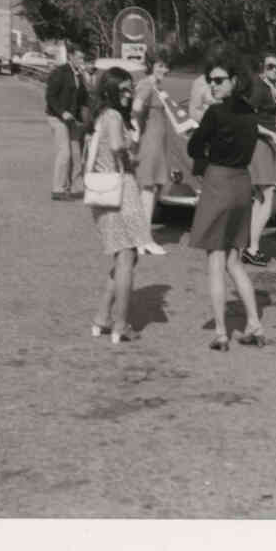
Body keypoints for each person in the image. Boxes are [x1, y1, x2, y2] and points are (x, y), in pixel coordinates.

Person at [186, 55, 276, 351]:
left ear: (235, 81)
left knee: (215, 260)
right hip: (242, 183)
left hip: (219, 182)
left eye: (219, 80)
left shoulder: (215, 113)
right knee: (234, 261)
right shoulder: (251, 113)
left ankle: (221, 332)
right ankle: (254, 324)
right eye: (210, 80)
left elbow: (193, 147)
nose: (213, 85)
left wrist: (207, 145)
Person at [87, 67, 153, 344]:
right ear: (110, 91)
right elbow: (116, 146)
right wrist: (131, 146)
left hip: (104, 191)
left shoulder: (103, 115)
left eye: (130, 88)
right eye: (123, 89)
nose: (128, 94)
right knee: (127, 257)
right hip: (120, 190)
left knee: (124, 256)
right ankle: (121, 324)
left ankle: (102, 317)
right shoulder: (114, 116)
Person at [243, 49, 276, 266]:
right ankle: (252, 248)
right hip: (261, 144)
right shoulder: (259, 88)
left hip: (265, 144)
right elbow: (248, 118)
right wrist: (271, 135)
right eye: (270, 66)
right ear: (262, 67)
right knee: (268, 196)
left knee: (260, 198)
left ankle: (251, 246)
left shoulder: (268, 87)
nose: (275, 70)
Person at [131, 51, 172, 256]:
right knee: (147, 190)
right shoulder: (146, 85)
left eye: (166, 66)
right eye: (160, 65)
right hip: (150, 143)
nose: (165, 69)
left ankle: (141, 235)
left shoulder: (156, 86)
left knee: (152, 189)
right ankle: (143, 239)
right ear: (151, 65)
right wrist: (136, 130)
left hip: (157, 143)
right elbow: (135, 108)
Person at [44, 43, 89, 201]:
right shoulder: (60, 72)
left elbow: (84, 99)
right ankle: (58, 189)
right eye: (79, 58)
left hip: (72, 119)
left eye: (83, 58)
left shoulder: (79, 75)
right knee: (65, 153)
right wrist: (62, 112)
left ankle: (75, 188)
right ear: (71, 57)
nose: (82, 61)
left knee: (76, 153)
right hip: (57, 117)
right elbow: (50, 96)